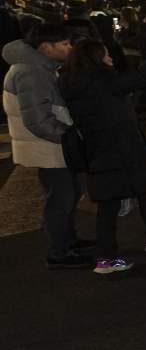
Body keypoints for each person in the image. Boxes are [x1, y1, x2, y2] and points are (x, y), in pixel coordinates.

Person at [60, 35, 146, 273]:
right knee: (145, 190)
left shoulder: (70, 83)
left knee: (109, 203)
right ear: (96, 58)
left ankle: (108, 256)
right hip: (124, 146)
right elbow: (142, 76)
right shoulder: (102, 82)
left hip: (97, 150)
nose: (110, 58)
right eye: (105, 54)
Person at [3, 24, 95, 269]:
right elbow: (38, 119)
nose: (70, 48)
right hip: (47, 146)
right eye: (64, 44)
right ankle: (60, 252)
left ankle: (69, 241)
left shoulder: (39, 66)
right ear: (45, 48)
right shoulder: (31, 72)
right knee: (60, 200)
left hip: (50, 144)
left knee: (68, 194)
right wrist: (68, 138)